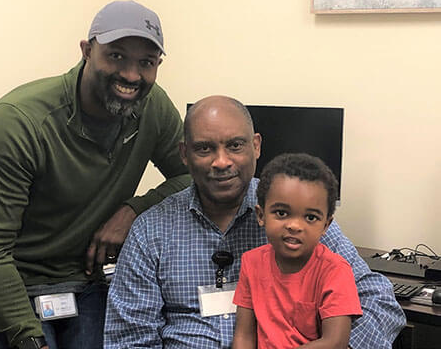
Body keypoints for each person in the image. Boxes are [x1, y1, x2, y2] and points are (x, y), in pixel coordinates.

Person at [0, 0, 190, 349]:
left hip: (81, 282)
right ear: (87, 51)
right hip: (2, 285)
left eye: (146, 63)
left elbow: (192, 177)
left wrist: (134, 210)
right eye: (117, 56)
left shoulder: (152, 109)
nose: (132, 75)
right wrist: (31, 340)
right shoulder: (18, 122)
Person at [104, 95, 406, 349]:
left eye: (235, 145)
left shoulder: (298, 217)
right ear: (184, 154)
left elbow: (379, 301)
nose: (221, 162)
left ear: (256, 146)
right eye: (204, 148)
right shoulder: (150, 231)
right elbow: (129, 338)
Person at [232, 153, 362, 349]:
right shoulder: (251, 263)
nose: (294, 226)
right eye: (282, 213)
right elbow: (243, 336)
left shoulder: (335, 271)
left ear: (326, 225)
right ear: (261, 215)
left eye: (310, 217)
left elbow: (335, 342)